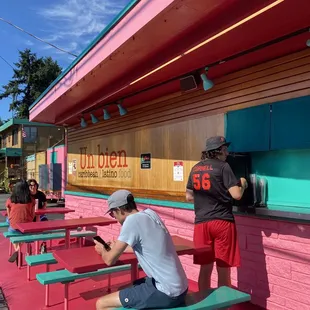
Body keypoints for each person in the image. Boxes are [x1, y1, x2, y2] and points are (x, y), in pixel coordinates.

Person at [94, 189, 188, 310]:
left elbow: (109, 260)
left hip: (166, 292)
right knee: (122, 290)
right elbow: (146, 246)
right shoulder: (150, 214)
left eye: (113, 214)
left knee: (101, 304)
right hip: (180, 288)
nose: (115, 218)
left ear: (120, 210)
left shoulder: (131, 221)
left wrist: (103, 249)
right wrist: (116, 247)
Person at [186, 136, 248, 290]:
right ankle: (223, 306)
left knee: (205, 268)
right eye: (225, 149)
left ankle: (204, 303)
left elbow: (188, 196)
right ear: (219, 150)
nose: (227, 152)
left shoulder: (195, 168)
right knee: (223, 268)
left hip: (201, 223)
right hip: (222, 222)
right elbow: (236, 195)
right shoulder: (223, 166)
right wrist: (243, 184)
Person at [6, 180, 35, 264]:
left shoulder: (10, 200)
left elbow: (9, 215)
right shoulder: (31, 200)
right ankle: (19, 250)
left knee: (10, 224)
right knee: (23, 232)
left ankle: (17, 250)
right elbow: (33, 215)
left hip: (14, 228)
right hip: (27, 228)